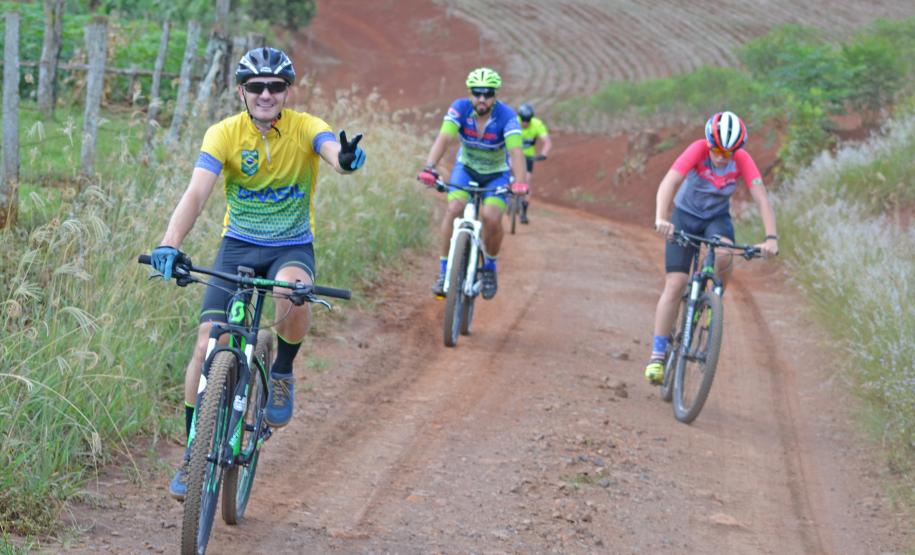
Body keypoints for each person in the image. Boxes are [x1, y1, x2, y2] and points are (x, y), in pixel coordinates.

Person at [149, 47, 366, 500]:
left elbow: (331, 150)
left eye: (276, 86)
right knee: (209, 339)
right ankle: (194, 450)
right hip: (237, 247)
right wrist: (170, 243)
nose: (266, 94)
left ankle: (282, 370)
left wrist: (344, 159)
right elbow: (196, 193)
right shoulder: (224, 134)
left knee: (293, 291)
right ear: (241, 92)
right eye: (256, 87)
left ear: (289, 90)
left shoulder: (307, 127)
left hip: (290, 245)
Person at [644, 111, 778, 385]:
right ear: (709, 143)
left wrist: (771, 237)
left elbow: (761, 197)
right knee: (676, 282)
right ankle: (657, 356)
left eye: (728, 152)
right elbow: (670, 181)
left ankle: (714, 296)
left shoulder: (741, 159)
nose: (720, 156)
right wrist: (661, 217)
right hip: (685, 215)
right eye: (716, 149)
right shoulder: (697, 149)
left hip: (716, 219)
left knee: (725, 256)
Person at [417, 67, 528, 299]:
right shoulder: (460, 108)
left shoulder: (507, 116)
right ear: (470, 93)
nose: (482, 99)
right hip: (465, 170)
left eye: (487, 94)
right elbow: (445, 138)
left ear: (494, 96)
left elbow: (516, 151)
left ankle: (490, 267)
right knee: (454, 209)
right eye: (477, 93)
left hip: (496, 174)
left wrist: (519, 182)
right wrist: (429, 167)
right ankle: (444, 271)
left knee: (491, 217)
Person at [516, 103, 552, 224]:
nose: (525, 123)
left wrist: (544, 154)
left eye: (528, 120)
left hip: (528, 156)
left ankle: (524, 213)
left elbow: (547, 142)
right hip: (512, 153)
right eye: (523, 120)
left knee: (526, 181)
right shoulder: (513, 122)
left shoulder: (537, 124)